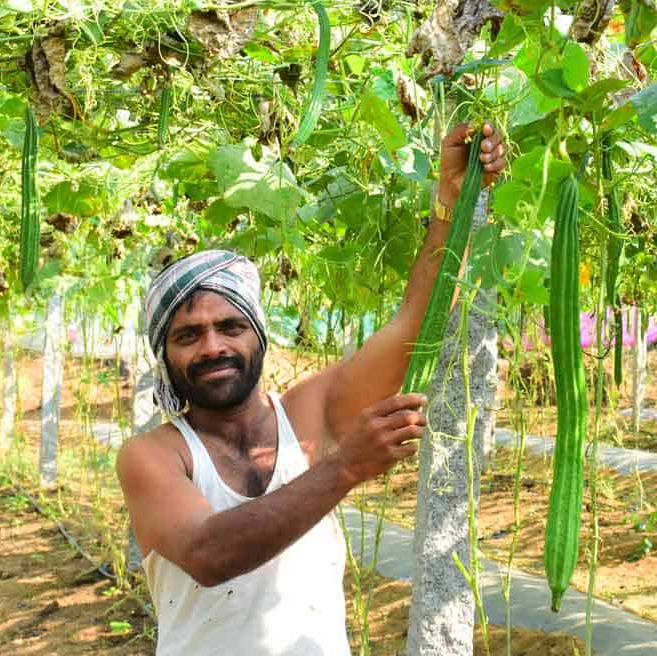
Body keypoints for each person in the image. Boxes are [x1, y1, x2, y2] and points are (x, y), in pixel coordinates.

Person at [116, 122, 506, 655]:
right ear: (165, 356)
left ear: (258, 334)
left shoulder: (310, 414)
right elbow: (209, 554)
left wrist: (451, 205)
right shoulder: (153, 456)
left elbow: (417, 321)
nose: (212, 348)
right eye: (188, 335)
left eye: (230, 327)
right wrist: (345, 467)